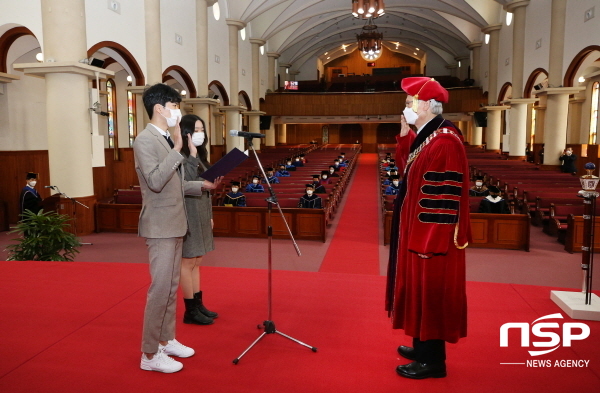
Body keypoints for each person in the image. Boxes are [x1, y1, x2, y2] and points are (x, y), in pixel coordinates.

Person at [386, 77, 470, 380]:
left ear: (424, 105)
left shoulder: (445, 142)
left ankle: (432, 361)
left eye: (409, 102)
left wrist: (427, 242)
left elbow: (441, 200)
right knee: (419, 293)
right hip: (418, 235)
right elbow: (407, 171)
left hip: (431, 240)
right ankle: (421, 345)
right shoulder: (428, 138)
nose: (405, 107)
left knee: (431, 295)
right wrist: (404, 133)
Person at [133, 83, 221, 373]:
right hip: (160, 226)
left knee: (171, 288)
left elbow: (177, 184)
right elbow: (156, 181)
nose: (177, 111)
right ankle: (149, 354)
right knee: (159, 290)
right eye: (174, 106)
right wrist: (179, 149)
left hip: (175, 223)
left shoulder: (165, 139)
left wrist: (201, 184)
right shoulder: (145, 140)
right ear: (160, 108)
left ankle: (166, 339)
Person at [179, 114, 219, 326]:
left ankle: (198, 303)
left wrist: (210, 216)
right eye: (196, 129)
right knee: (187, 261)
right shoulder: (180, 156)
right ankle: (190, 310)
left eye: (202, 129)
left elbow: (207, 188)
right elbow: (185, 182)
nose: (200, 134)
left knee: (197, 260)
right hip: (188, 213)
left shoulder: (201, 156)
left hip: (201, 211)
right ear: (185, 133)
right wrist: (192, 155)